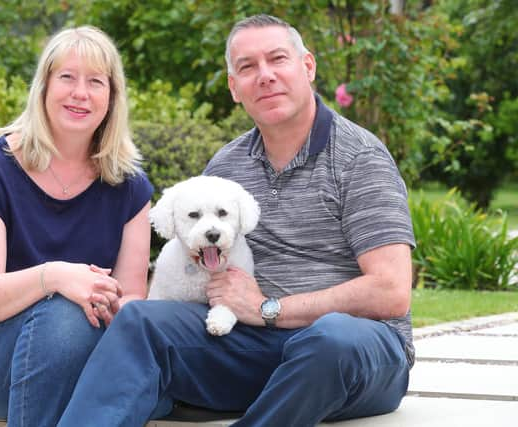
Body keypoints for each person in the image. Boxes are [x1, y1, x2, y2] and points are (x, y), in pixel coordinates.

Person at [58, 14, 416, 427]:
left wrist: (269, 309)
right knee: (141, 320)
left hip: (358, 355)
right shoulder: (226, 166)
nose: (265, 76)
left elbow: (391, 292)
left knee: (331, 336)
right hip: (254, 346)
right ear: (234, 87)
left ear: (308, 66)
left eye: (277, 59)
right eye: (247, 67)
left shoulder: (359, 159)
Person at [0, 26, 153, 427]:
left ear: (112, 96)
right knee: (63, 318)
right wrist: (56, 278)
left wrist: (108, 299)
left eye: (95, 82)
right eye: (67, 77)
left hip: (83, 350)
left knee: (125, 364)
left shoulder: (131, 186)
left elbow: (132, 297)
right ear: (44, 88)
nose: (80, 93)